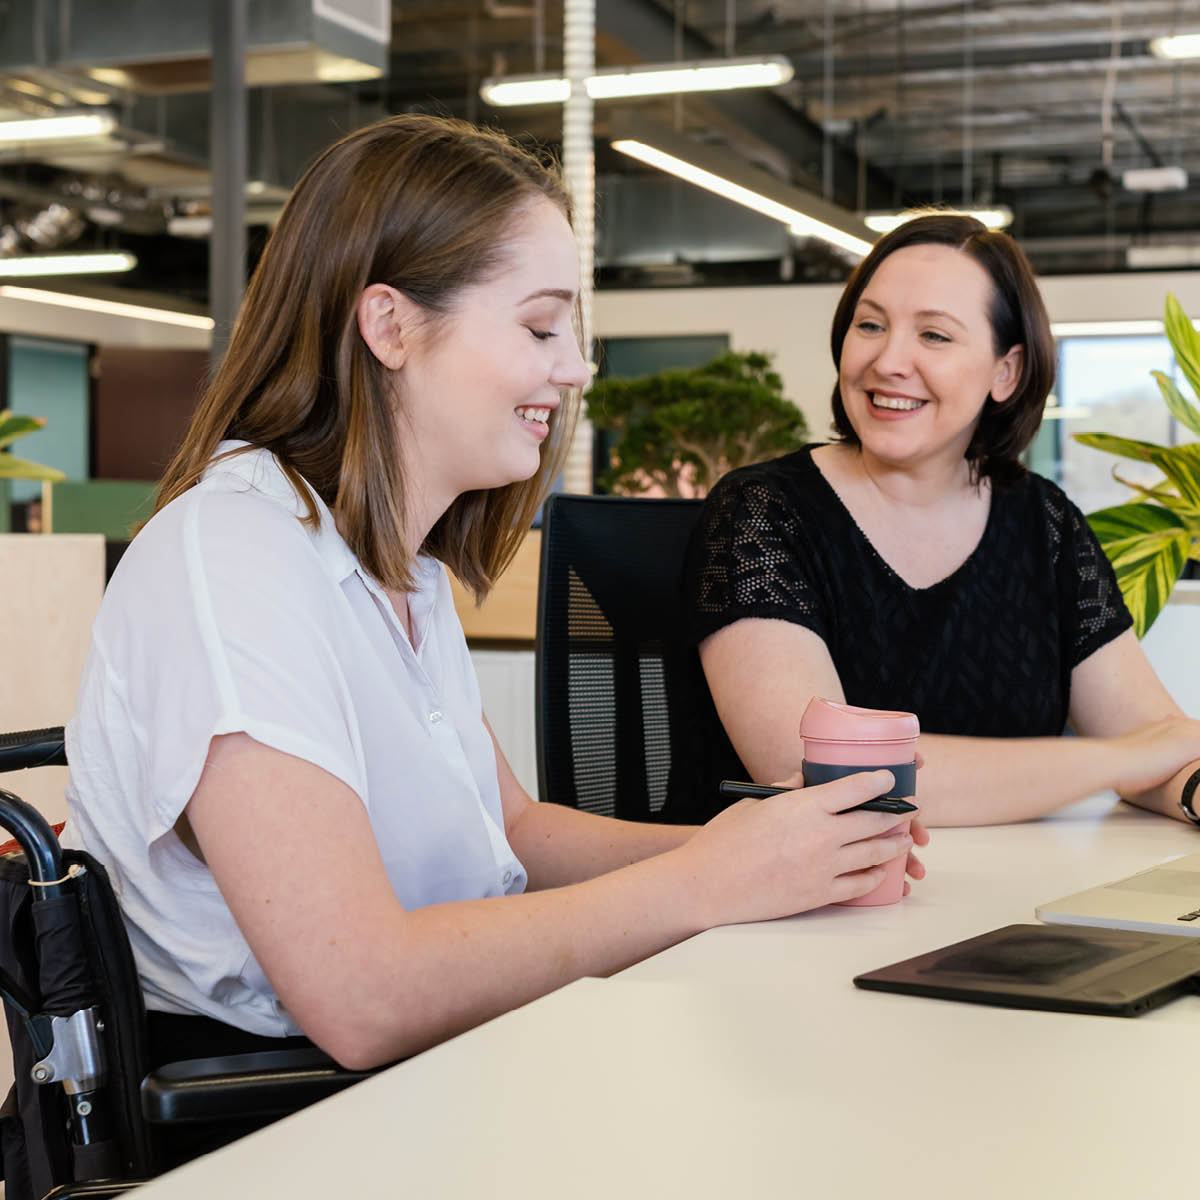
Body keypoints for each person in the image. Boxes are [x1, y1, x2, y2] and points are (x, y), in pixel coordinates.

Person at [61, 115, 923, 1083]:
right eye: (541, 326)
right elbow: (361, 993)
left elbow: (509, 834)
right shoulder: (229, 562)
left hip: (434, 1076)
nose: (576, 366)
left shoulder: (400, 570)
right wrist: (708, 881)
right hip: (283, 1120)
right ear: (388, 324)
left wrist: (769, 854)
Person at [666, 212, 1200, 829]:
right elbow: (831, 779)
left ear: (1007, 371)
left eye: (935, 336)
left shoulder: (1044, 525)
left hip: (1002, 903)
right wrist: (1121, 760)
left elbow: (1158, 742)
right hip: (790, 913)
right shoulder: (759, 515)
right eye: (870, 325)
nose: (889, 361)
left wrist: (1186, 784)